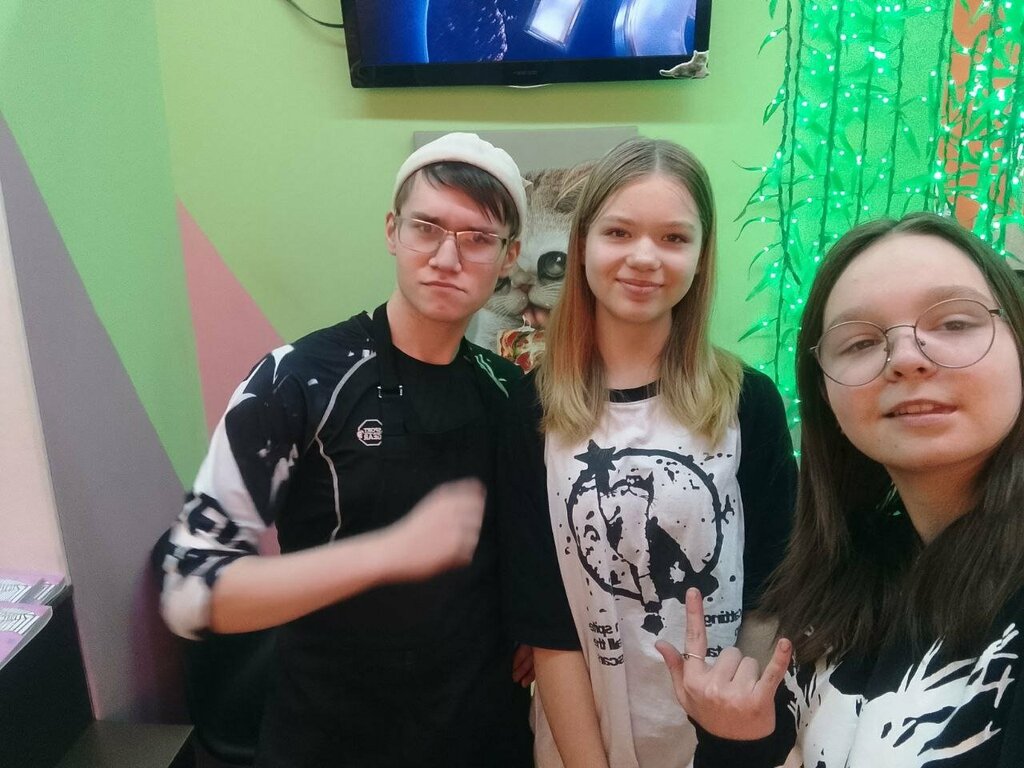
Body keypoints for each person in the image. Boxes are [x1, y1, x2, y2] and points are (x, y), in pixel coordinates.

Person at [153, 132, 535, 768]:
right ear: (392, 231)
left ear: (508, 256)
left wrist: (531, 627)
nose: (447, 257)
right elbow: (191, 590)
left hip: (482, 737)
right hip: (329, 737)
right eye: (427, 228)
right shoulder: (296, 380)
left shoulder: (511, 392)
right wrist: (388, 552)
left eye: (477, 238)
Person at [658, 212, 1024, 767]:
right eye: (860, 342)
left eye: (954, 322)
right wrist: (740, 742)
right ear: (825, 396)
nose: (907, 358)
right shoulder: (841, 585)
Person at [500, 137, 796, 768]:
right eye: (619, 232)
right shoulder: (530, 411)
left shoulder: (749, 404)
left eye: (673, 238)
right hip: (582, 740)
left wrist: (734, 738)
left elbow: (770, 595)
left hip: (719, 744)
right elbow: (550, 629)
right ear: (583, 243)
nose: (643, 258)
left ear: (700, 256)